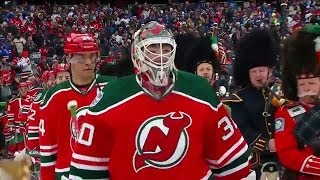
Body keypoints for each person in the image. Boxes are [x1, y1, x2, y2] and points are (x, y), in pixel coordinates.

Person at [68, 21, 253, 179]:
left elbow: (233, 164)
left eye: (166, 49)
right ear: (137, 53)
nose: (161, 56)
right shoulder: (112, 96)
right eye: (152, 49)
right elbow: (86, 170)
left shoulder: (198, 90)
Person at [38, 33, 114, 180]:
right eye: (81, 57)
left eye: (92, 56)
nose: (88, 62)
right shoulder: (54, 96)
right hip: (67, 173)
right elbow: (48, 153)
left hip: (105, 171)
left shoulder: (112, 87)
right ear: (68, 58)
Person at [223, 28, 279, 179]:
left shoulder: (281, 92)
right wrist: (266, 144)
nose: (258, 75)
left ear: (269, 71)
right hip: (256, 163)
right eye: (253, 72)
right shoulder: (238, 99)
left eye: (261, 70)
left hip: (284, 158)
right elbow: (243, 130)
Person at [274, 25, 320, 179]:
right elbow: (287, 154)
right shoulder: (286, 113)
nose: (308, 89)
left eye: (312, 83)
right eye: (303, 84)